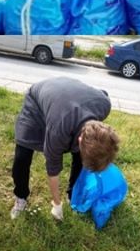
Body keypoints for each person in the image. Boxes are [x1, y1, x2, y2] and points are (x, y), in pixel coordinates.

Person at [11, 76, 119, 221]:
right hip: (37, 101)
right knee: (22, 157)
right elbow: (53, 169)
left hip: (64, 98)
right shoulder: (58, 130)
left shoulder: (104, 105)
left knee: (80, 157)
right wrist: (56, 204)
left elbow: (100, 93)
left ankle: (72, 194)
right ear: (79, 139)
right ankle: (21, 197)